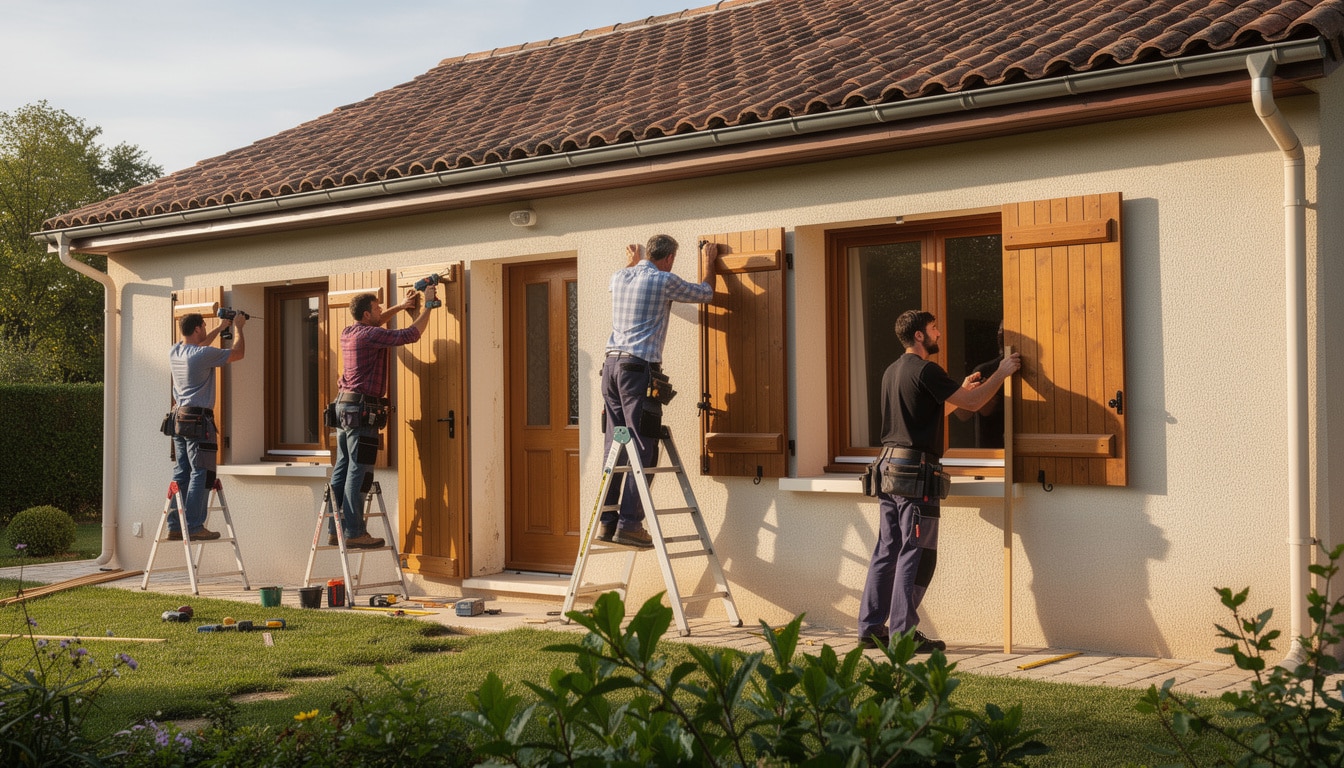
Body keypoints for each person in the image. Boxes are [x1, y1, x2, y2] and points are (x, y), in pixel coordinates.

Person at [859, 309, 1020, 652]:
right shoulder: (927, 369)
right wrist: (1002, 373)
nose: (939, 335)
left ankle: (872, 629)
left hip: (887, 471)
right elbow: (974, 403)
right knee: (917, 554)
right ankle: (903, 636)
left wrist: (958, 389)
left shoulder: (892, 371)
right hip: (915, 475)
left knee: (887, 550)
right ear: (919, 335)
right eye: (934, 329)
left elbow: (932, 412)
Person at [601, 234, 718, 548]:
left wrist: (632, 260)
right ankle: (629, 525)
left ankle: (607, 521)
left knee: (615, 443)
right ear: (668, 258)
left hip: (610, 369)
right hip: (638, 372)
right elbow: (705, 293)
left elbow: (623, 278)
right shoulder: (663, 280)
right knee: (643, 447)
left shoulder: (621, 276)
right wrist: (709, 262)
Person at [329, 285, 436, 548]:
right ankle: (354, 532)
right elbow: (412, 334)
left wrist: (401, 306)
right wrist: (430, 305)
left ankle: (336, 530)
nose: (380, 311)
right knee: (359, 468)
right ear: (367, 315)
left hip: (344, 406)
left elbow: (379, 323)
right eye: (377, 308)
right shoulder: (370, 335)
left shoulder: (349, 332)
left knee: (342, 467)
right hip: (361, 410)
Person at [167, 311, 247, 540]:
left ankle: (175, 525)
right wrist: (239, 327)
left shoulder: (175, 351)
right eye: (203, 326)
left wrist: (221, 327)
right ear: (197, 329)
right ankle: (193, 526)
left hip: (179, 419)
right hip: (199, 421)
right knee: (202, 472)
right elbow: (238, 354)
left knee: (182, 472)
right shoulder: (202, 355)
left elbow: (200, 345)